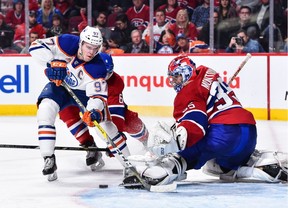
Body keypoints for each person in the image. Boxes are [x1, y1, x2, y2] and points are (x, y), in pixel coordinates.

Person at [125, 54, 287, 186]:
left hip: (224, 135)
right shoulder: (206, 71)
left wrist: (174, 145)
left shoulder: (187, 93)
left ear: (186, 73)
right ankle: (262, 166)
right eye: (172, 78)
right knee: (217, 167)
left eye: (177, 77)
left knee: (182, 156)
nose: (174, 82)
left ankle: (157, 174)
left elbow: (196, 126)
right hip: (249, 133)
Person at [28, 26, 131, 181]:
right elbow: (34, 46)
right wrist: (53, 62)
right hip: (60, 87)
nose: (91, 52)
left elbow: (97, 96)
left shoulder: (98, 67)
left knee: (104, 126)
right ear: (81, 43)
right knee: (45, 110)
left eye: (95, 48)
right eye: (88, 47)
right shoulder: (67, 42)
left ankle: (130, 165)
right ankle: (48, 158)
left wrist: (94, 111)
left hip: (84, 94)